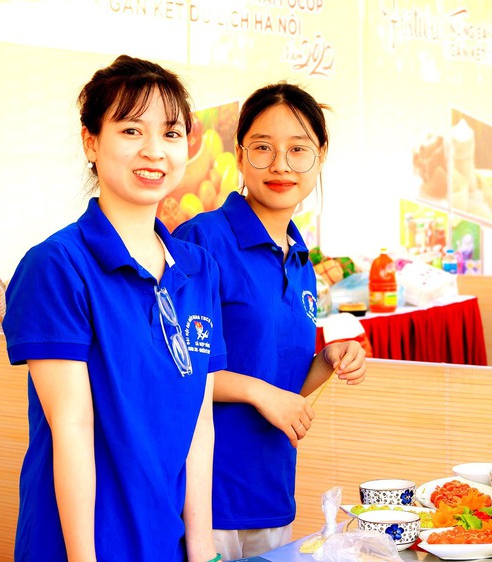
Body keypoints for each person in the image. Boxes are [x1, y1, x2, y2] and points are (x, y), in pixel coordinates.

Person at [2, 55, 224, 561]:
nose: (154, 151)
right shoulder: (58, 266)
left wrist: (202, 547)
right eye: (130, 130)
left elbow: (199, 421)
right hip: (81, 545)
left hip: (166, 540)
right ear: (91, 142)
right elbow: (72, 429)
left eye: (171, 133)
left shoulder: (198, 270)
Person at [173, 83, 367, 559]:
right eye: (263, 148)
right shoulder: (201, 240)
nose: (281, 165)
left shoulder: (300, 260)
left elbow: (285, 386)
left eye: (298, 149)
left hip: (271, 490)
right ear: (240, 156)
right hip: (206, 495)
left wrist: (328, 360)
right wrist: (260, 393)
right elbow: (175, 367)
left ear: (320, 157)